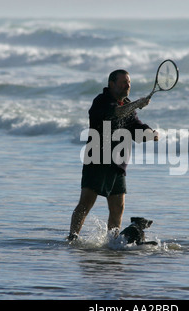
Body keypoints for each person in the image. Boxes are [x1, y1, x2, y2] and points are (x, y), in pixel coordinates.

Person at [68, 69, 158, 241]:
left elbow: (135, 127)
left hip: (118, 162)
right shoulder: (101, 101)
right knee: (86, 203)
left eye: (129, 82)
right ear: (112, 84)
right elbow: (116, 113)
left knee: (118, 207)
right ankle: (72, 237)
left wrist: (150, 133)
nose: (127, 85)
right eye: (123, 82)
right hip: (97, 159)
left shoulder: (127, 105)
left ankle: (113, 242)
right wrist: (138, 103)